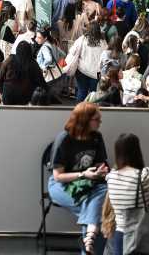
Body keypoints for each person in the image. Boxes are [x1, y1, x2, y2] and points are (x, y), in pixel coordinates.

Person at [48, 102, 109, 254]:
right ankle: (91, 248)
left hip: (90, 184)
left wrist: (101, 171)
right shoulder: (64, 139)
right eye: (97, 119)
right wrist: (83, 174)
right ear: (85, 120)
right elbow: (58, 176)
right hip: (61, 184)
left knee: (104, 196)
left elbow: (101, 164)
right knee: (98, 209)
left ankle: (88, 245)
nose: (100, 123)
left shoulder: (96, 137)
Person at [105, 133, 149, 254]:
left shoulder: (111, 177)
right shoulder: (144, 176)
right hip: (141, 236)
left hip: (119, 237)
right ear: (137, 151)